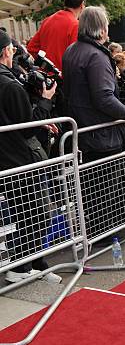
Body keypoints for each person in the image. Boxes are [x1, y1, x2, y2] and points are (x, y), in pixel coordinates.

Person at [63, 6, 125, 238]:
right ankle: (108, 234)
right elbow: (104, 98)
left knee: (92, 190)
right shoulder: (96, 56)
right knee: (107, 189)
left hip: (86, 133)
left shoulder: (72, 51)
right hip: (101, 136)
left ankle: (100, 232)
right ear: (103, 29)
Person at [0, 30, 61, 284]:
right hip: (17, 160)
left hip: (8, 158)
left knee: (23, 213)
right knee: (36, 212)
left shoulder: (10, 82)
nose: (15, 52)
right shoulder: (10, 85)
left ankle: (34, 263)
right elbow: (26, 128)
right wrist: (45, 103)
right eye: (12, 49)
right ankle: (22, 267)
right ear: (5, 51)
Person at [27, 0, 86, 71]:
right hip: (64, 78)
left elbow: (31, 48)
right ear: (82, 5)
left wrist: (44, 65)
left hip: (46, 78)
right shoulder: (76, 25)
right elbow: (76, 59)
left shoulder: (47, 21)